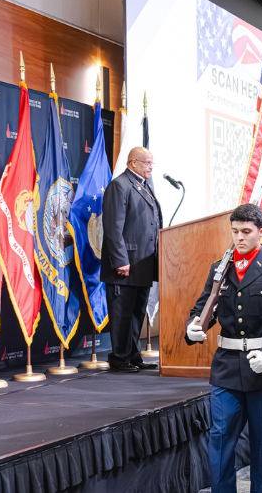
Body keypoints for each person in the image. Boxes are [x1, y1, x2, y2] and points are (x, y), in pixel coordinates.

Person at [185, 204, 262, 493]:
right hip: (227, 365)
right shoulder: (220, 267)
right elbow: (204, 306)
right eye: (235, 231)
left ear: (261, 233)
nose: (239, 237)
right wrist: (192, 326)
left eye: (246, 232)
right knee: (221, 437)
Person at [101, 147, 162, 373]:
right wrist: (119, 260)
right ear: (133, 162)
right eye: (147, 163)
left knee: (137, 312)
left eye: (152, 163)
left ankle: (133, 354)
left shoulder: (145, 186)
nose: (151, 168)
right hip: (125, 264)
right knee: (122, 312)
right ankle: (119, 357)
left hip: (143, 263)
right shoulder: (120, 185)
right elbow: (113, 227)